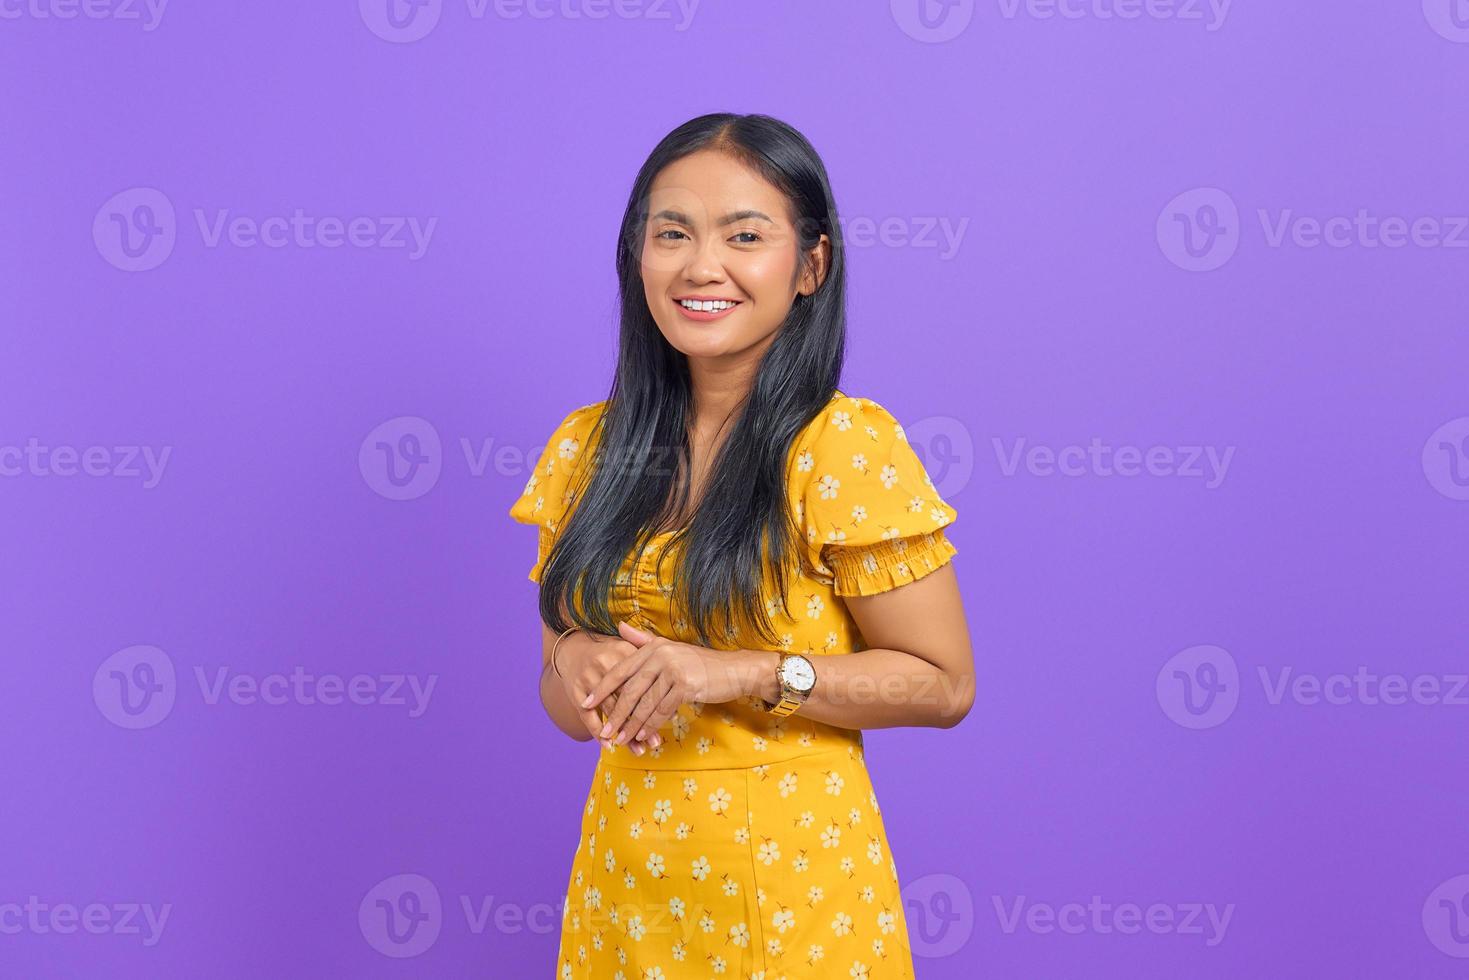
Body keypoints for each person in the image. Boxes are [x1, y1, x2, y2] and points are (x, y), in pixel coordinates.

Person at [508, 112, 975, 979]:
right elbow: (562, 708)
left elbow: (943, 685)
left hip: (793, 906)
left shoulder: (839, 447)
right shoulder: (587, 451)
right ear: (636, 255)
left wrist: (742, 671)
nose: (700, 266)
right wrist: (576, 662)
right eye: (671, 233)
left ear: (810, 266)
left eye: (744, 236)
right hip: (625, 897)